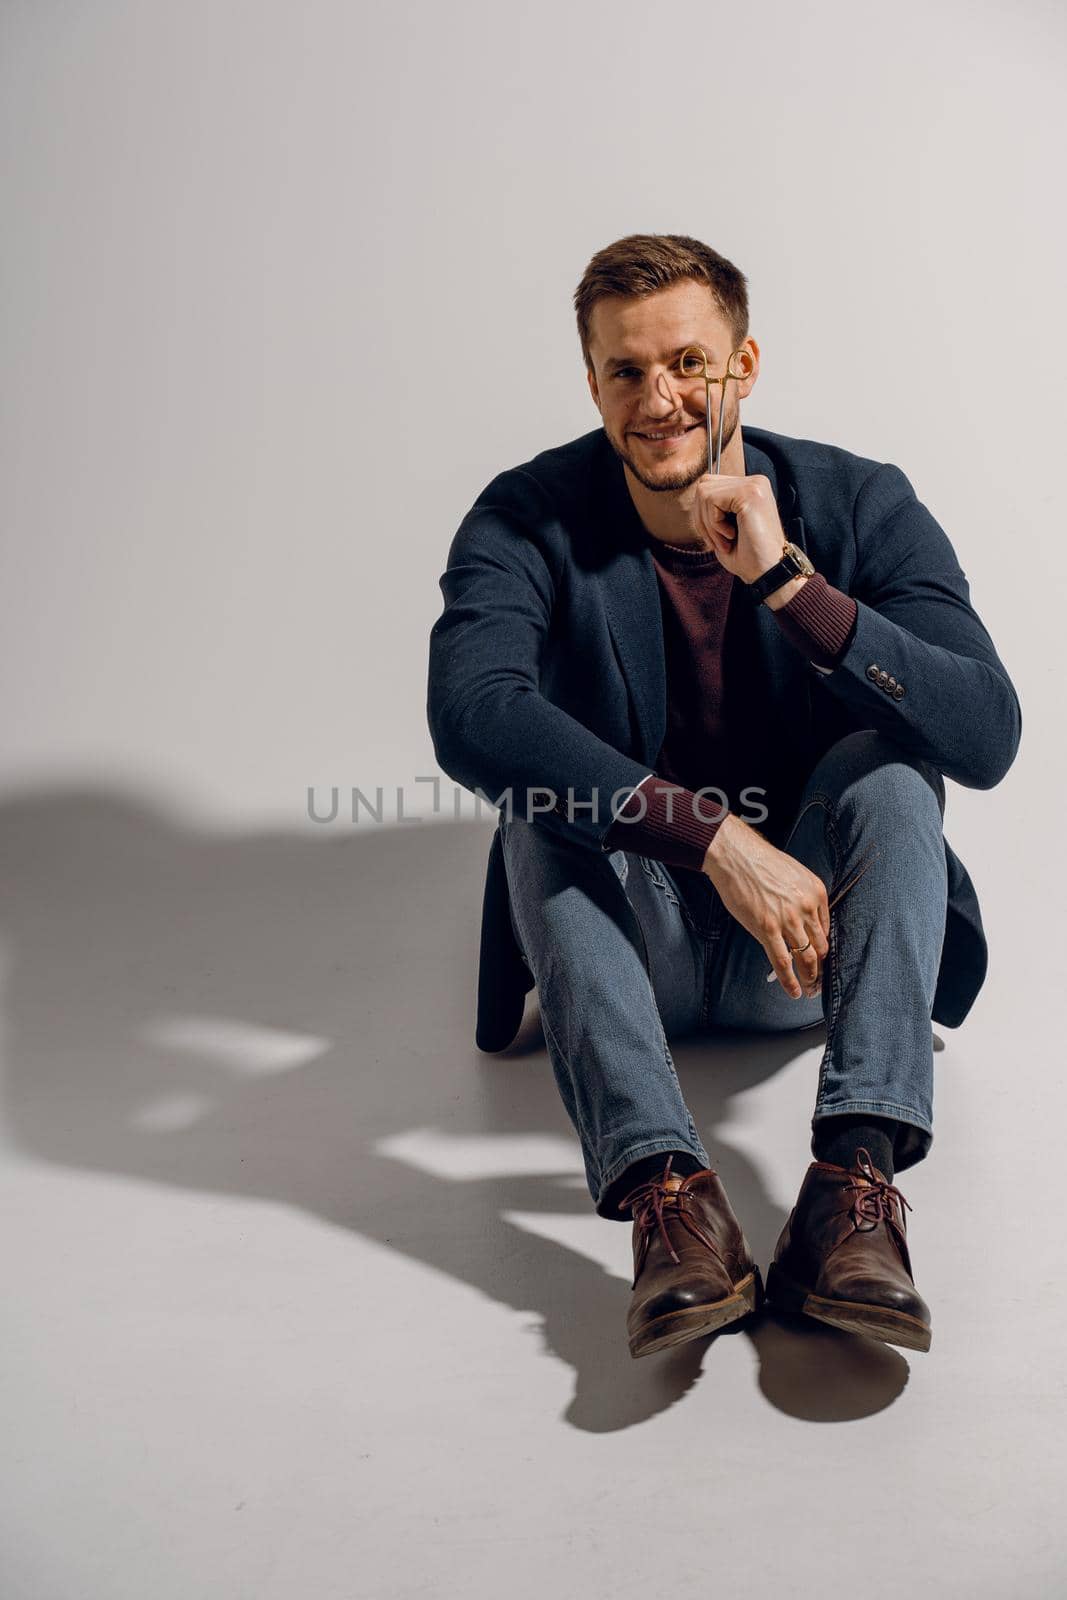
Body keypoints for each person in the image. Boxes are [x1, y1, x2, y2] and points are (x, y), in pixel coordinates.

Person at [426, 233, 1022, 1359]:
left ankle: (853, 1189)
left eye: (688, 364)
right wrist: (712, 841)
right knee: (540, 797)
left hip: (813, 948)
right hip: (629, 950)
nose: (659, 399)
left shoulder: (858, 501)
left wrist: (788, 584)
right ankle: (671, 1201)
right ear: (592, 381)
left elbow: (985, 733)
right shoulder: (522, 517)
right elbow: (470, 714)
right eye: (626, 371)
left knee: (892, 768)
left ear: (743, 363)